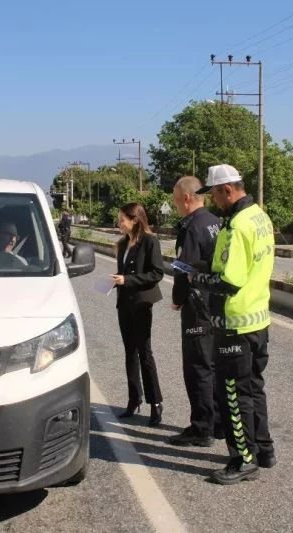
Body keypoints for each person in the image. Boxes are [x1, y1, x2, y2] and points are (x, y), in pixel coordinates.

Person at [190, 163, 276, 485]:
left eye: (213, 193)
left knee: (232, 393)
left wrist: (195, 277)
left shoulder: (238, 225)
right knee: (253, 386)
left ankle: (243, 459)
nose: (212, 200)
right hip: (258, 319)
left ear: (228, 190)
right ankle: (264, 449)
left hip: (235, 322)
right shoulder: (260, 216)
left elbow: (229, 280)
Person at [167, 176, 222, 447]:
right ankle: (217, 423)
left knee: (197, 368)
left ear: (186, 198)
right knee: (213, 365)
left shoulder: (191, 228)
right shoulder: (216, 222)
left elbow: (183, 268)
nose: (176, 206)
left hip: (197, 304)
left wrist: (177, 299)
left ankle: (202, 429)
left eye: (176, 200)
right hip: (217, 302)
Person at [112, 202, 165, 427]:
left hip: (142, 303)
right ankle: (134, 398)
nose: (119, 222)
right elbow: (124, 273)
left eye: (122, 218)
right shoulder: (123, 244)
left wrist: (128, 280)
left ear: (134, 220)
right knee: (129, 352)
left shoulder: (150, 241)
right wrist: (115, 280)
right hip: (124, 303)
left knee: (145, 352)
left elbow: (156, 273)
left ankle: (156, 403)